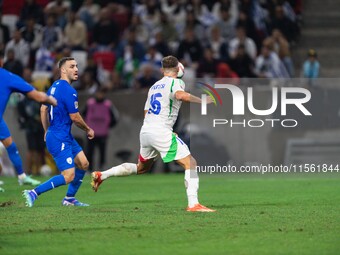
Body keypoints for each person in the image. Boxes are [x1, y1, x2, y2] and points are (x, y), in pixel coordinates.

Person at [91, 55, 215, 212]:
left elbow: (146, 112)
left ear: (162, 70)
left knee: (141, 168)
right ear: (178, 69)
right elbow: (180, 95)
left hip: (147, 131)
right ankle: (193, 204)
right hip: (160, 131)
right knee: (190, 163)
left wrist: (163, 131)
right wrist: (203, 101)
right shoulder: (177, 82)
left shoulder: (154, 86)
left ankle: (102, 175)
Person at [22, 57, 95, 207]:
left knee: (83, 163)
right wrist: (88, 129)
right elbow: (74, 117)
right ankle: (34, 192)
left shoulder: (54, 86)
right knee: (68, 176)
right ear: (63, 70)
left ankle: (69, 199)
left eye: (76, 66)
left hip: (61, 134)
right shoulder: (69, 90)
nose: (76, 69)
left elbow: (43, 108)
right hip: (59, 137)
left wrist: (46, 130)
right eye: (72, 66)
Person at [0, 54, 57, 188]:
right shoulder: (9, 77)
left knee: (10, 145)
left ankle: (22, 176)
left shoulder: (7, 77)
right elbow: (37, 96)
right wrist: (52, 100)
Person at [83, 88, 118, 170]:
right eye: (98, 93)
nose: (100, 95)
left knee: (102, 152)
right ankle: (89, 169)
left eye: (101, 93)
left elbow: (115, 118)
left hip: (103, 133)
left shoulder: (108, 104)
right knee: (90, 152)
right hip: (91, 132)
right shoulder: (90, 103)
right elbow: (83, 115)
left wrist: (107, 126)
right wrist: (87, 127)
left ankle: (101, 169)